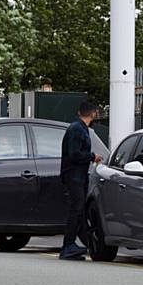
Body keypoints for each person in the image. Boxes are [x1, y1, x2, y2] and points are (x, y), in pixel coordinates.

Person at [59, 101, 103, 260]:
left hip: (77, 176)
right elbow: (74, 154)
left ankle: (83, 244)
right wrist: (93, 156)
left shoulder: (79, 128)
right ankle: (68, 245)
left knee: (79, 210)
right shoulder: (77, 129)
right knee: (76, 209)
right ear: (93, 114)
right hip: (74, 176)